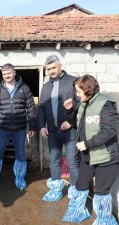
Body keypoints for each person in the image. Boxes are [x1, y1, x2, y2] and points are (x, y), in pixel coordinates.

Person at [62, 74, 119, 224]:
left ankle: (104, 219)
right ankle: (78, 211)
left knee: (101, 191)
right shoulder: (83, 104)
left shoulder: (105, 104)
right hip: (87, 156)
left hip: (105, 157)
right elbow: (77, 121)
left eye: (79, 91)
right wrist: (69, 111)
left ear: (88, 90)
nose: (77, 94)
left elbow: (110, 131)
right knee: (81, 185)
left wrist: (86, 144)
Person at [0, 63, 37, 190]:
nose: (7, 76)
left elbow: (31, 108)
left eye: (9, 73)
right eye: (4, 74)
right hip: (1, 127)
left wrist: (32, 127)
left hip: (19, 128)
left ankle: (19, 178)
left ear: (14, 73)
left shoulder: (24, 88)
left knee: (20, 154)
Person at [38, 55, 79, 202]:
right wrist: (42, 126)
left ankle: (75, 193)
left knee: (72, 160)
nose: (51, 71)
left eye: (53, 67)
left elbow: (81, 104)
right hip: (53, 131)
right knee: (54, 159)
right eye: (48, 69)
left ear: (60, 65)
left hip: (70, 130)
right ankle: (56, 189)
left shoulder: (73, 81)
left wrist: (71, 121)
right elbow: (41, 108)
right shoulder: (46, 86)